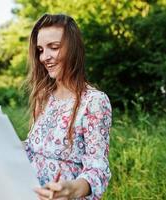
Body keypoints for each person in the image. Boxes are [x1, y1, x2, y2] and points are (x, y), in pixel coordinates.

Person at [24, 13, 112, 200]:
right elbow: (33, 151)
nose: (44, 57)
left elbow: (98, 170)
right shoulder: (43, 97)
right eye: (40, 50)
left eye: (53, 48)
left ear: (73, 50)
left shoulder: (94, 102)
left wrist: (71, 189)